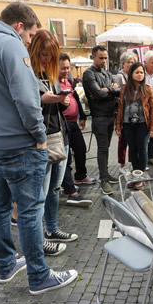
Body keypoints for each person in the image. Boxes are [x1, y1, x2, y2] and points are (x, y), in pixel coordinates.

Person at [0, 2, 77, 295]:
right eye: (30, 35)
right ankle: (39, 276)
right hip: (18, 145)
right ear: (20, 26)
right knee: (29, 211)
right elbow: (26, 100)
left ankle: (7, 265)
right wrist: (39, 136)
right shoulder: (10, 45)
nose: (29, 41)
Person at [28, 30, 79, 255]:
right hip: (42, 140)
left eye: (52, 55)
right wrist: (55, 98)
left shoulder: (50, 75)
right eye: (44, 54)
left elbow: (56, 104)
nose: (48, 59)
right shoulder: (28, 73)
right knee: (40, 193)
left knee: (54, 189)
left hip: (60, 136)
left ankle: (51, 229)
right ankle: (41, 239)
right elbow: (35, 102)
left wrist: (63, 99)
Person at [58, 53, 93, 207]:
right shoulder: (53, 83)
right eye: (63, 68)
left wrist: (82, 115)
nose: (66, 70)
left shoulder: (69, 81)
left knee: (80, 149)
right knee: (65, 158)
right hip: (61, 125)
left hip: (73, 123)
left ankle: (79, 177)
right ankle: (69, 188)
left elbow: (76, 99)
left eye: (68, 67)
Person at [83, 45, 119, 195]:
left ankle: (105, 175)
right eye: (101, 58)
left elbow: (119, 90)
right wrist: (111, 90)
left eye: (105, 58)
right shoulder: (88, 74)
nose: (104, 60)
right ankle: (103, 179)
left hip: (110, 115)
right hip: (99, 117)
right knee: (102, 149)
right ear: (93, 57)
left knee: (106, 148)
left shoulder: (107, 73)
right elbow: (99, 94)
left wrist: (109, 90)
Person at [115, 62, 153, 177]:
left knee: (142, 148)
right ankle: (135, 174)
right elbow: (120, 108)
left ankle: (142, 174)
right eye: (137, 72)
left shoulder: (148, 89)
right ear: (131, 73)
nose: (140, 75)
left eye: (142, 72)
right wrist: (118, 126)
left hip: (143, 124)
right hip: (128, 123)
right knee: (132, 149)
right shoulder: (124, 88)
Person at [115, 51, 135, 174]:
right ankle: (122, 164)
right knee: (123, 140)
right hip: (123, 113)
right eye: (128, 62)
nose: (130, 64)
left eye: (132, 62)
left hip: (133, 112)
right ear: (123, 64)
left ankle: (132, 162)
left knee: (132, 140)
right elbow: (117, 93)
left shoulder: (134, 75)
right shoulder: (119, 76)